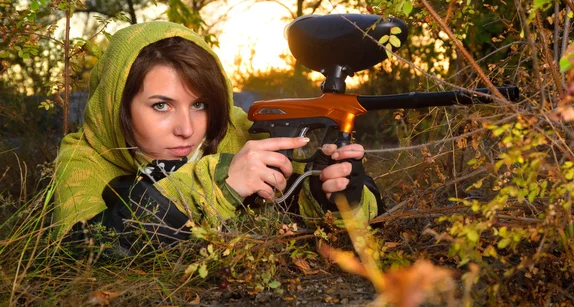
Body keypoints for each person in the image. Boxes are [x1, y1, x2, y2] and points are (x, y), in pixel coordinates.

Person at [53, 21, 383, 249]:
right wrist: (213, 185)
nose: (187, 129)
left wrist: (334, 195)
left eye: (199, 104)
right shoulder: (86, 156)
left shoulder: (237, 130)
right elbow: (76, 254)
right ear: (118, 105)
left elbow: (309, 211)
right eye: (161, 106)